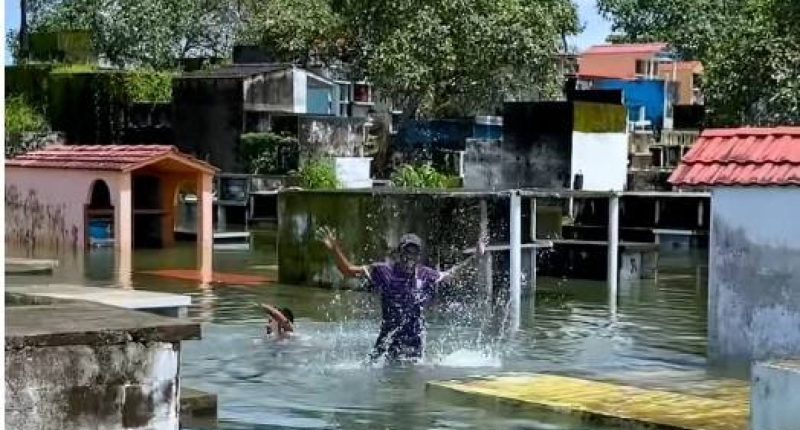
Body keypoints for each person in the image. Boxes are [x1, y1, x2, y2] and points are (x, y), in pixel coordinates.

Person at [317, 227, 485, 362]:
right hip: (387, 344)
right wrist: (335, 249)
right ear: (399, 252)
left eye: (414, 252)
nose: (410, 256)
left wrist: (475, 257)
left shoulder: (424, 275)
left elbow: (452, 275)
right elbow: (348, 271)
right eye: (407, 251)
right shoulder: (384, 271)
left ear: (418, 255)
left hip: (414, 346)